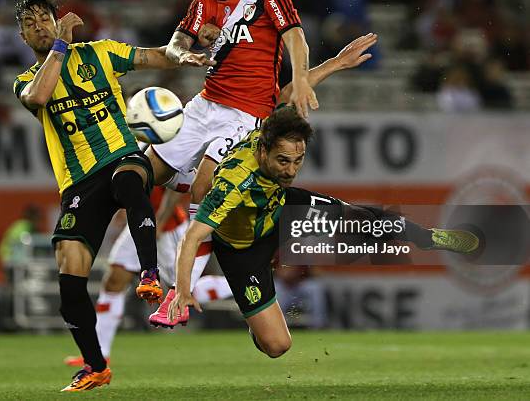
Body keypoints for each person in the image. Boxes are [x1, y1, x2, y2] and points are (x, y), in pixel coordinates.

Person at [168, 106, 479, 358]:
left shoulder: (271, 134)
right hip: (242, 251)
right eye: (282, 161)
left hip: (281, 212)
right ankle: (258, 325)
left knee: (357, 216)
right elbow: (191, 237)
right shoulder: (233, 184)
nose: (290, 170)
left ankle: (426, 237)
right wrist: (182, 290)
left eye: (298, 160)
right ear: (262, 150)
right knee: (277, 347)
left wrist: (335, 64)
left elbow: (291, 94)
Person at [144, 0, 322, 327]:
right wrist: (182, 52)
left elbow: (295, 36)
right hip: (205, 104)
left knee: (206, 185)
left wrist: (297, 78)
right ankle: (174, 199)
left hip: (246, 114)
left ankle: (176, 292)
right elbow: (177, 41)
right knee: (144, 172)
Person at [12, 0, 190, 391]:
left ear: (56, 19)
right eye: (30, 24)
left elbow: (158, 55)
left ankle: (149, 274)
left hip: (121, 155)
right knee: (69, 279)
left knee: (129, 180)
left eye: (45, 19)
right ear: (22, 37)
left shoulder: (100, 52)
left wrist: (189, 50)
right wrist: (60, 43)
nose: (38, 27)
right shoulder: (25, 80)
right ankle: (96, 367)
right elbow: (40, 96)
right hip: (78, 182)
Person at [63, 187, 232, 366]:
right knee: (114, 281)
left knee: (185, 290)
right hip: (138, 224)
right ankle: (98, 354)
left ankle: (240, 284)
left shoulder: (160, 158)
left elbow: (175, 185)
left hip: (167, 228)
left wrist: (160, 219)